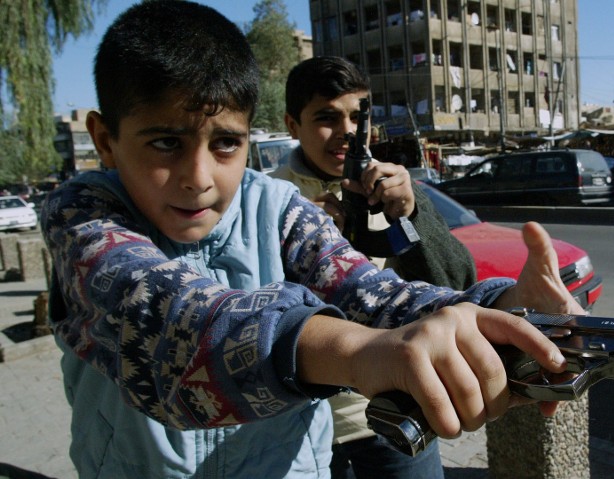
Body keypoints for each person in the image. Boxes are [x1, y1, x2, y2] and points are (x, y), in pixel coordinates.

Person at [40, 2, 582, 478]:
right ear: (105, 140)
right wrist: (360, 352)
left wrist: (502, 309)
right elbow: (166, 320)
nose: (198, 176)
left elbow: (369, 293)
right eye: (165, 143)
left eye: (226, 143)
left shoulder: (276, 208)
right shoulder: (83, 215)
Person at [272, 56, 476, 478]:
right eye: (326, 117)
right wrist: (300, 239)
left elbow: (456, 283)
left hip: (394, 412)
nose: (346, 131)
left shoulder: (391, 188)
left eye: (355, 117)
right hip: (302, 427)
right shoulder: (267, 199)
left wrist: (414, 213)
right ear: (293, 125)